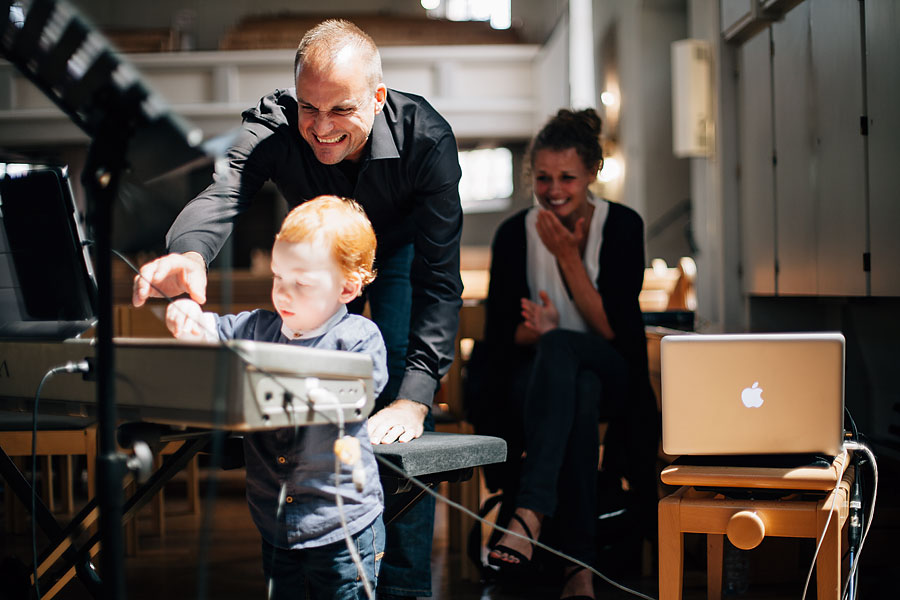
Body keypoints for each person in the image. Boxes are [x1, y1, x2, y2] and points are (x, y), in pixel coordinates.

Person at [133, 20, 462, 598]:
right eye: (310, 108)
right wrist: (188, 251)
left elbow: (441, 279)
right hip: (317, 259)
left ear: (378, 97)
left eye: (341, 110)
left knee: (393, 397)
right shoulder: (278, 124)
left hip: (401, 254)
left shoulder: (426, 139)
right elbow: (226, 184)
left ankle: (404, 585)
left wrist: (416, 396)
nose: (323, 127)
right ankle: (313, 536)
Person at [165, 196, 387, 599]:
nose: (282, 294)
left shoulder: (357, 338)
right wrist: (188, 319)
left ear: (348, 287)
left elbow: (358, 392)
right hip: (275, 523)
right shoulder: (255, 327)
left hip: (342, 530)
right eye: (277, 277)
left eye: (301, 283)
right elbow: (211, 332)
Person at [480, 108, 659, 600]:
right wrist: (540, 335)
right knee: (576, 391)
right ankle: (578, 570)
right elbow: (500, 335)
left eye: (566, 178)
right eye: (542, 178)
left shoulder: (622, 225)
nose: (553, 189)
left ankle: (530, 512)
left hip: (612, 369)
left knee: (571, 356)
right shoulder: (513, 234)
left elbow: (613, 332)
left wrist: (567, 260)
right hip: (540, 376)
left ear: (592, 174)